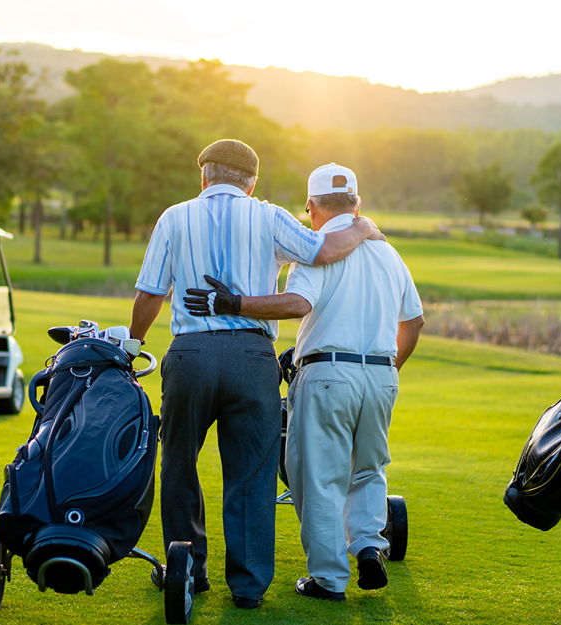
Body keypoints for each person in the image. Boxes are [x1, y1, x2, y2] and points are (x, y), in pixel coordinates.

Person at [129, 140, 384, 610]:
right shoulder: (268, 216)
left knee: (180, 462)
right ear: (252, 182)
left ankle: (188, 569)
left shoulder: (174, 216)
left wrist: (133, 345)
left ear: (203, 176)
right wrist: (364, 226)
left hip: (190, 356)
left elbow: (150, 292)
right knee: (251, 472)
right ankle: (247, 587)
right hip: (252, 358)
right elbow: (325, 250)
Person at [184, 163, 424, 602]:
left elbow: (297, 304)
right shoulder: (390, 254)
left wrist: (232, 303)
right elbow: (414, 321)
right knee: (369, 468)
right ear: (357, 203)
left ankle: (329, 580)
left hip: (327, 374)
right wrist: (391, 371)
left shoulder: (317, 251)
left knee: (317, 479)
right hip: (382, 375)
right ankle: (369, 544)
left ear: (311, 207)